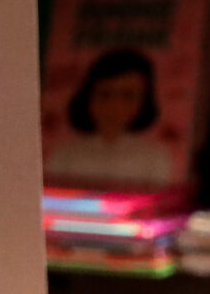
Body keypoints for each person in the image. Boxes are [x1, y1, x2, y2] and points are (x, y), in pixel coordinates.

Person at [43, 46, 177, 190]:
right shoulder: (65, 154)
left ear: (144, 102)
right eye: (105, 94)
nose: (114, 106)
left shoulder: (154, 157)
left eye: (127, 96)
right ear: (88, 97)